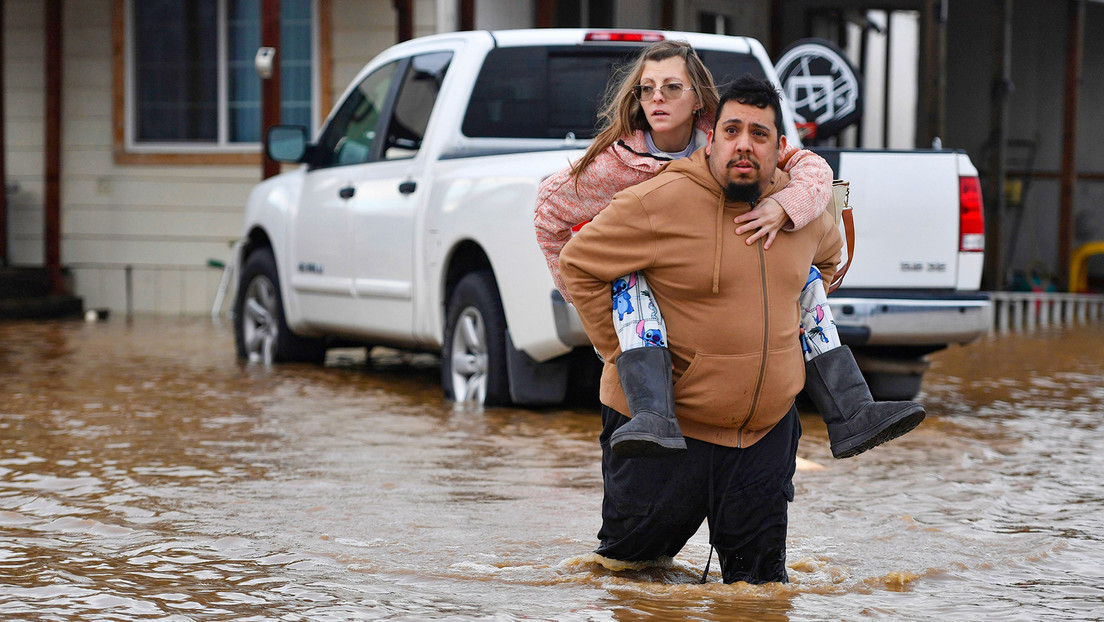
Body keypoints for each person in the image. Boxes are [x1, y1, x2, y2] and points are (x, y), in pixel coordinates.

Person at [534, 40, 924, 460]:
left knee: (805, 281)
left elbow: (813, 168)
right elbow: (547, 214)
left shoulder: (730, 137)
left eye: (671, 87)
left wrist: (784, 205)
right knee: (633, 279)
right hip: (648, 300)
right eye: (647, 89)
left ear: (698, 95)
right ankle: (653, 414)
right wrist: (603, 325)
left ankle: (853, 412)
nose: (657, 99)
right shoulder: (616, 163)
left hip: (742, 283)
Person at [558, 76, 840, 583]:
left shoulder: (804, 209)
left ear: (781, 149)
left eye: (759, 134)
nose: (743, 145)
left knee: (757, 596)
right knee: (628, 582)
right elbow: (578, 263)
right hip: (664, 435)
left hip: (764, 435)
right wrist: (620, 353)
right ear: (711, 138)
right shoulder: (659, 201)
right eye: (731, 130)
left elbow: (830, 262)